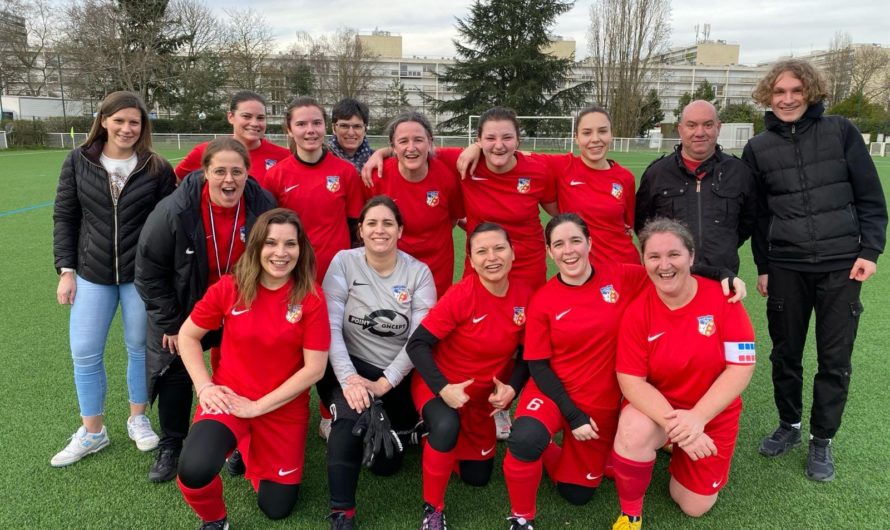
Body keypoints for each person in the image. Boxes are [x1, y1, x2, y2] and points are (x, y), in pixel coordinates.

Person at [504, 213, 741, 530]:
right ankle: (522, 517)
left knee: (576, 494)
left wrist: (721, 273)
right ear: (549, 252)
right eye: (558, 244)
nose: (569, 250)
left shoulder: (622, 276)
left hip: (599, 402)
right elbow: (538, 365)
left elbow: (669, 269)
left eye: (576, 240)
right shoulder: (543, 299)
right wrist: (571, 415)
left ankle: (557, 451)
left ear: (590, 243)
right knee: (525, 439)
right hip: (554, 394)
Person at [743, 59, 887, 481]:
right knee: (785, 353)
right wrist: (765, 267)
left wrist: (870, 251)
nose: (787, 99)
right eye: (780, 92)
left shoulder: (840, 132)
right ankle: (789, 425)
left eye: (796, 91)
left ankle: (822, 440)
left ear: (811, 92)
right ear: (769, 96)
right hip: (786, 266)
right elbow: (760, 217)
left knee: (834, 357)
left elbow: (871, 199)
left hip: (841, 266)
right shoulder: (758, 147)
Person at [176, 208, 329, 529]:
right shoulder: (230, 288)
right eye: (271, 243)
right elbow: (187, 336)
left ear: (301, 249)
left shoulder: (311, 298)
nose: (281, 253)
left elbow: (315, 369)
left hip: (281, 409)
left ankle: (245, 449)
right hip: (230, 398)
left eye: (291, 244)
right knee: (194, 468)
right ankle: (215, 521)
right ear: (257, 245)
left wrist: (257, 407)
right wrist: (205, 387)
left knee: (276, 508)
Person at [136, 137, 275, 482]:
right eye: (220, 172)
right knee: (176, 369)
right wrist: (171, 323)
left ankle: (243, 441)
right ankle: (172, 443)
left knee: (246, 366)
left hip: (239, 303)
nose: (229, 180)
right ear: (205, 173)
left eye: (237, 172)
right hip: (184, 305)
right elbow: (149, 271)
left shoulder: (261, 205)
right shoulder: (174, 210)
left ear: (248, 173)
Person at [51, 91, 175, 467]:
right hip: (91, 274)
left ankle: (138, 418)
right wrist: (66, 270)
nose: (126, 128)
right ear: (103, 120)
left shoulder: (156, 167)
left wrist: (164, 276)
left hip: (142, 277)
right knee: (85, 350)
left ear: (143, 127)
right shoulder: (77, 161)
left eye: (134, 122)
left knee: (139, 348)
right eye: (118, 120)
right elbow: (65, 217)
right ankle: (93, 431)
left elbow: (168, 225)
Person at [611, 218, 756, 530]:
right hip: (660, 410)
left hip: (711, 413)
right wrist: (680, 427)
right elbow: (630, 381)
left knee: (693, 505)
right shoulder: (637, 312)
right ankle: (631, 515)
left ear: (692, 257)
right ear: (644, 261)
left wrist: (698, 418)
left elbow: (741, 366)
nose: (664, 265)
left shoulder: (724, 298)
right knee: (633, 430)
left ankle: (672, 446)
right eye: (654, 257)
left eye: (674, 254)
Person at [320, 196, 437, 530]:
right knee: (348, 422)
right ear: (360, 229)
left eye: (388, 223)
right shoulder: (344, 261)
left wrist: (383, 383)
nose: (379, 230)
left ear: (400, 230)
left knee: (386, 464)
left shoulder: (418, 273)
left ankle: (400, 427)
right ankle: (343, 513)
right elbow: (328, 327)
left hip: (396, 376)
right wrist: (350, 380)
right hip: (351, 366)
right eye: (371, 223)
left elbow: (418, 340)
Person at [406, 223, 532, 530]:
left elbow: (529, 354)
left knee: (478, 478)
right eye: (482, 251)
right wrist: (443, 388)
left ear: (513, 253)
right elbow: (417, 344)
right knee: (447, 425)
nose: (492, 257)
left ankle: (434, 440)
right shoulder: (461, 295)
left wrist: (512, 389)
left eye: (499, 248)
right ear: (472, 261)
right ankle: (433, 510)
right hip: (441, 387)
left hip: (480, 401)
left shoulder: (525, 296)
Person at [365, 106, 557, 291]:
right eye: (490, 138)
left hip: (527, 266)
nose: (499, 145)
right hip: (480, 264)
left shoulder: (538, 169)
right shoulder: (462, 162)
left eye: (507, 137)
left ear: (518, 140)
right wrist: (380, 153)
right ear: (479, 141)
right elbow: (416, 151)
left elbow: (557, 212)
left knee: (526, 322)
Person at [458, 107, 639, 265]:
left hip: (624, 263)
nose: (595, 139)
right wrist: (477, 146)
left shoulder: (626, 178)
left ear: (611, 134)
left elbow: (627, 226)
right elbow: (508, 152)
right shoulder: (559, 165)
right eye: (586, 132)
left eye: (602, 131)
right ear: (576, 138)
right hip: (581, 265)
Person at [635, 100, 756, 274]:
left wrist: (721, 247)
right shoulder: (657, 173)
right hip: (671, 278)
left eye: (708, 125)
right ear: (680, 129)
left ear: (718, 127)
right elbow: (643, 225)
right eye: (691, 125)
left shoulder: (740, 173)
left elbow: (747, 223)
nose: (699, 132)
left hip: (722, 278)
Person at [262, 96, 364, 282]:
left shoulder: (346, 172)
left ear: (325, 126)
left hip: (337, 276)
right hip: (294, 274)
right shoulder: (275, 176)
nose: (310, 130)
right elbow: (268, 233)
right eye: (301, 124)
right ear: (290, 130)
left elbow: (355, 228)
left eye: (317, 123)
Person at [367, 112, 463, 297]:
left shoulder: (446, 175)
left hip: (437, 267)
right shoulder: (376, 177)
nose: (411, 148)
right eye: (403, 141)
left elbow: (453, 217)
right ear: (393, 147)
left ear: (430, 142)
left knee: (432, 322)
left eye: (418, 140)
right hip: (391, 267)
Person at [174, 91, 290, 183]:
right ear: (230, 117)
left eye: (260, 118)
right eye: (246, 116)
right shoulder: (204, 152)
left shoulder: (285, 156)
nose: (254, 123)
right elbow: (174, 184)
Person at [327, 98, 375, 172]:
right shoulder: (321, 159)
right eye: (344, 126)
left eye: (357, 126)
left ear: (365, 129)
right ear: (334, 128)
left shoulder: (376, 161)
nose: (351, 133)